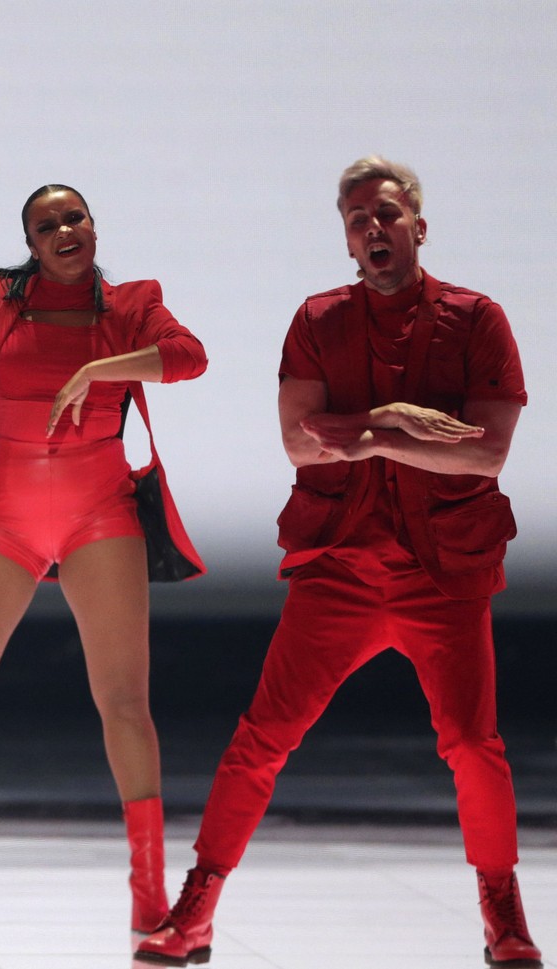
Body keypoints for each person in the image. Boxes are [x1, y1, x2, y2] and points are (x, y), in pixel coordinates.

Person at [137, 157, 543, 968]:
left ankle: (503, 908)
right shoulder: (320, 319)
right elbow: (298, 437)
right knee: (262, 739)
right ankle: (201, 901)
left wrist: (376, 434)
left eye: (386, 214)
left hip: (443, 574)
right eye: (358, 218)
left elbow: (488, 456)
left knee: (473, 743)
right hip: (342, 569)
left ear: (417, 226)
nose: (373, 228)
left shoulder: (477, 318)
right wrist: (398, 419)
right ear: (347, 238)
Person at [0, 184, 208, 936]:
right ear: (29, 241)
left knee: (124, 701)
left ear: (94, 226)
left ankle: (149, 895)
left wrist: (99, 370)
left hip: (101, 512)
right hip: (4, 515)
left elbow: (190, 357)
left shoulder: (131, 303)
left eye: (75, 217)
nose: (65, 230)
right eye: (48, 223)